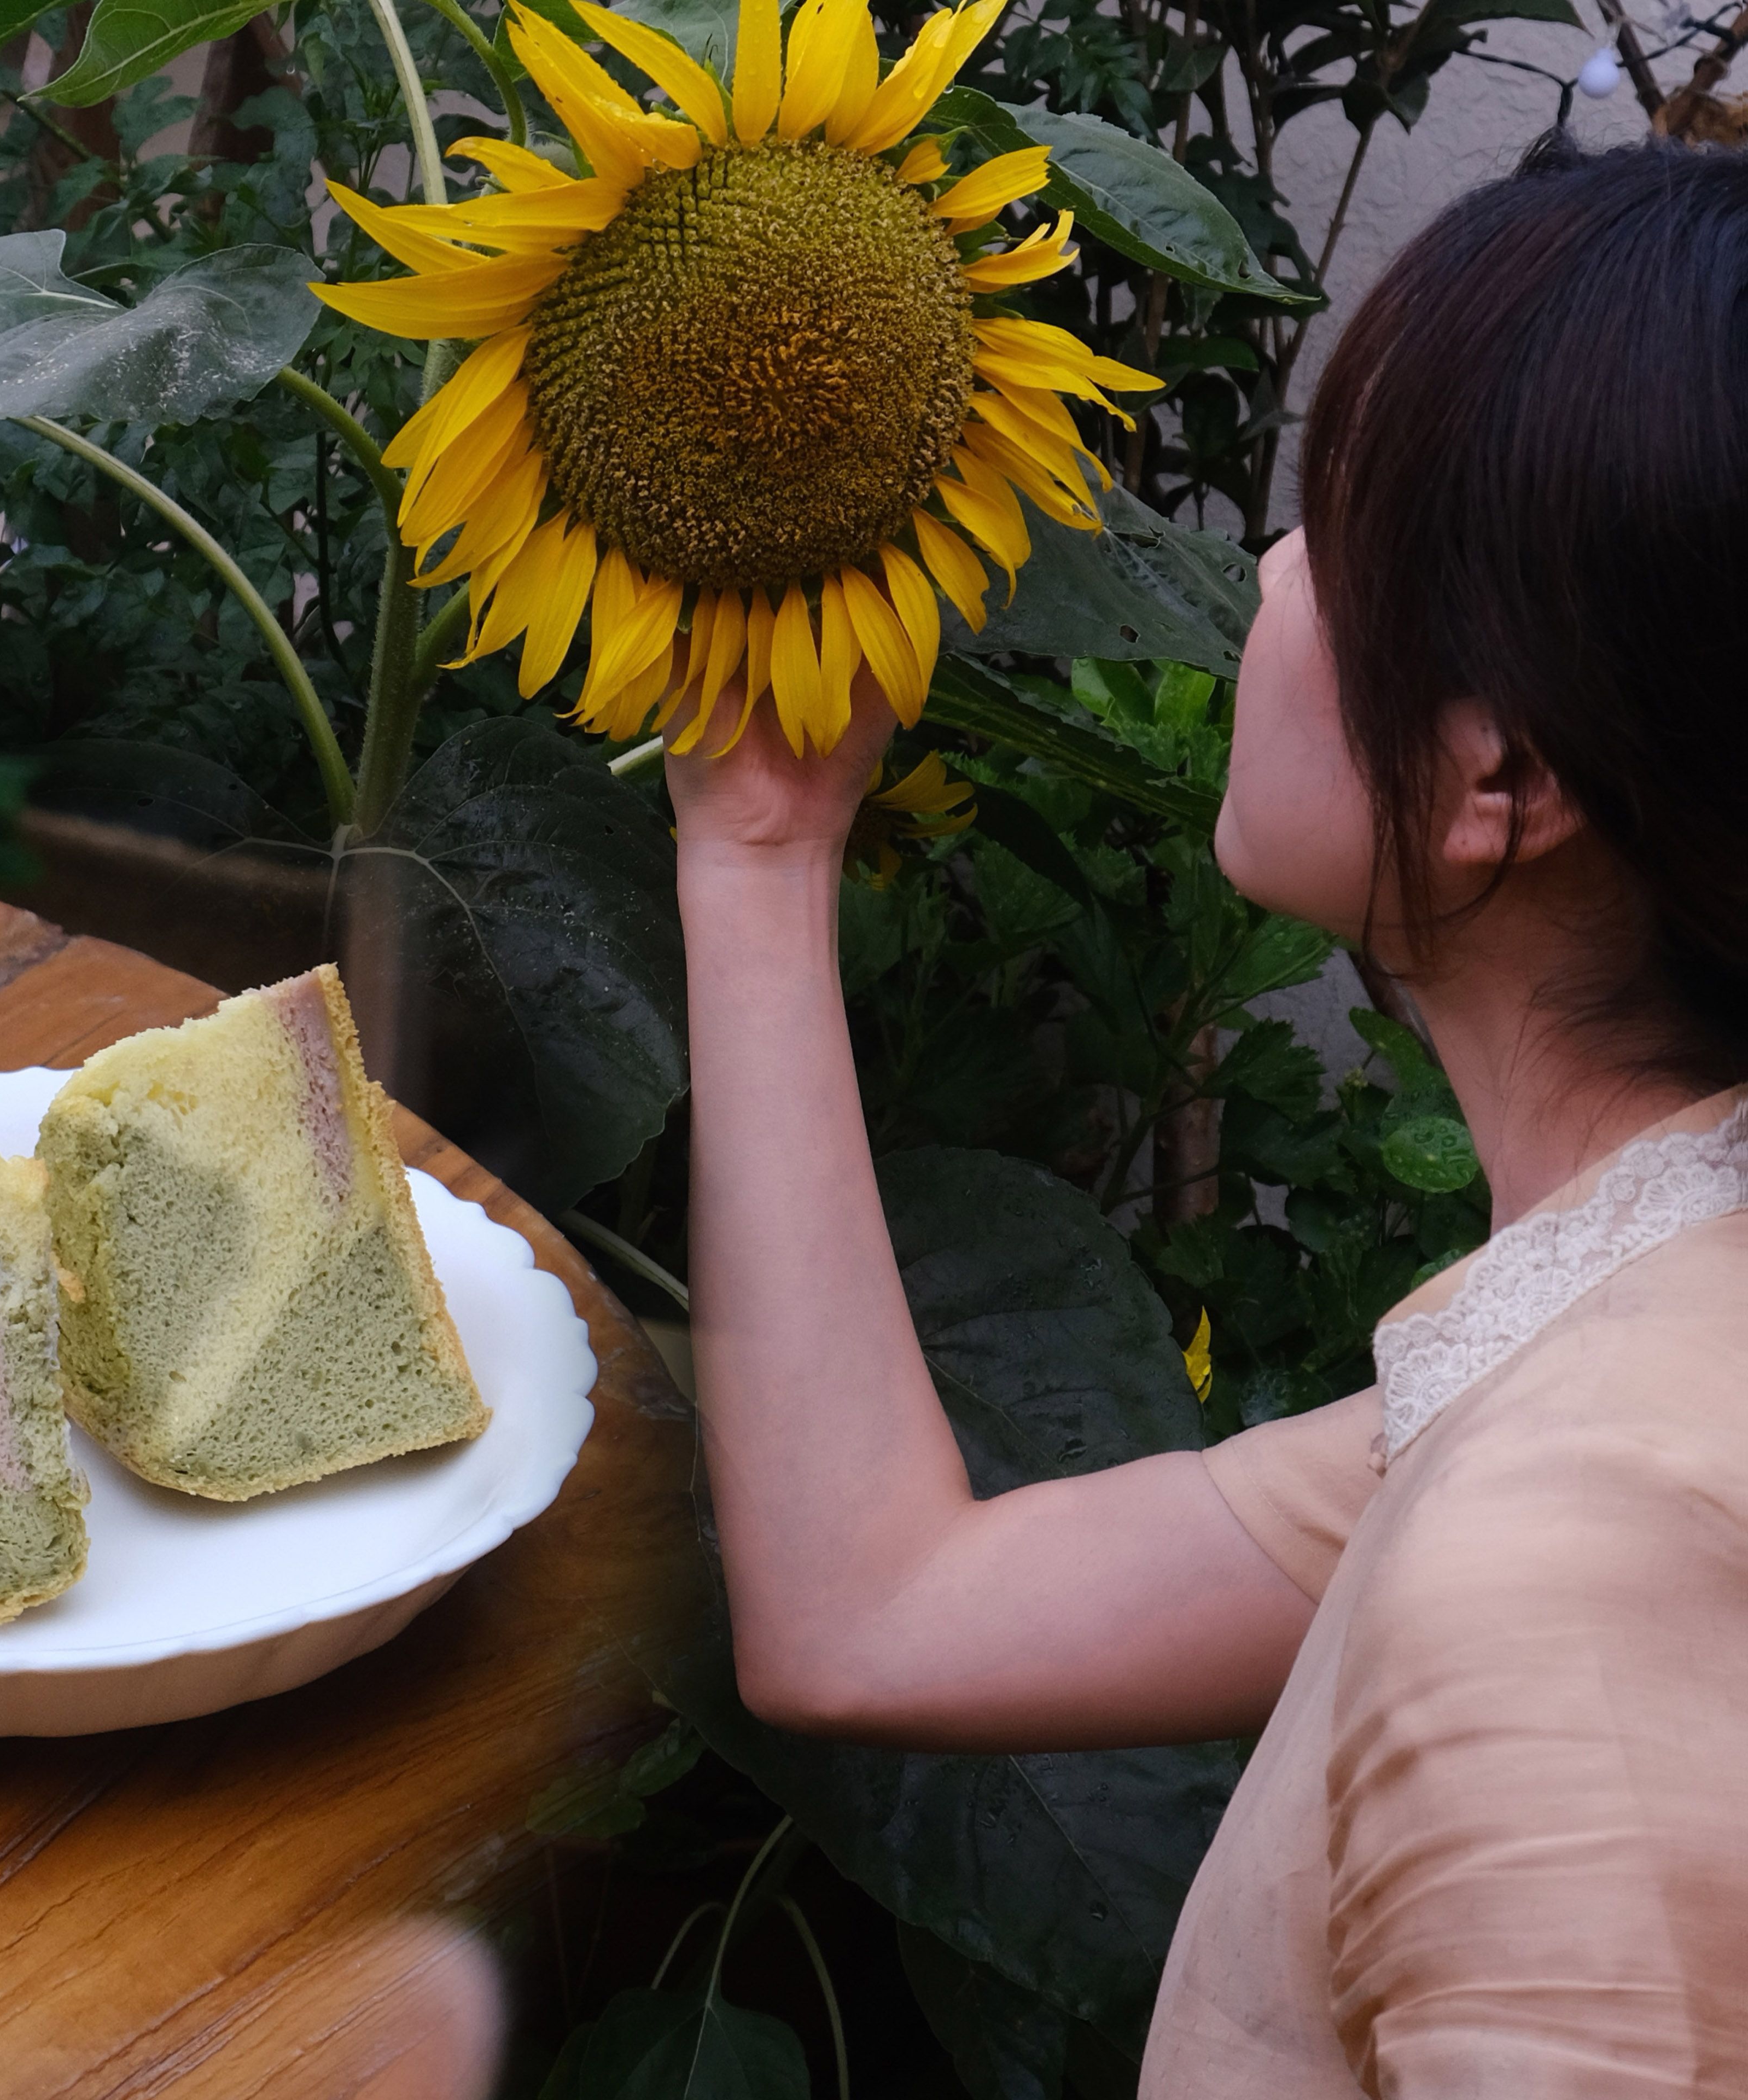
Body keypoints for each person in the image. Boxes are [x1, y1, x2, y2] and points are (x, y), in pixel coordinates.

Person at [666, 137, 1748, 2092]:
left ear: (1493, 771)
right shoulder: (1644, 1313)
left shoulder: (1576, 1561)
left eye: (1330, 531)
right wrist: (763, 848)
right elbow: (881, 1618)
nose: (1265, 579)